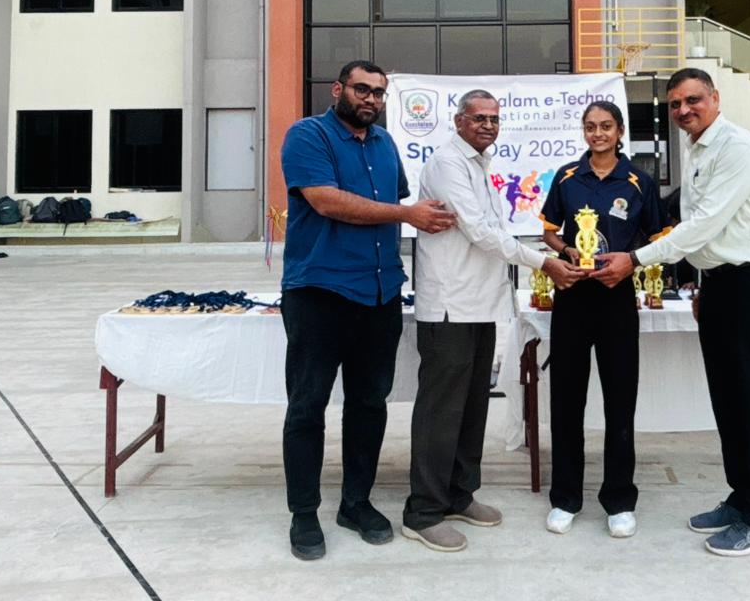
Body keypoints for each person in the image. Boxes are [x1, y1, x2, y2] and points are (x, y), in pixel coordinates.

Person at [595, 67, 750, 557]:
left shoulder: (737, 148)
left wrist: (635, 258)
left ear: (715, 98)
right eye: (676, 104)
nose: (684, 110)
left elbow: (703, 225)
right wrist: (702, 282)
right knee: (728, 400)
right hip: (720, 285)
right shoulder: (697, 147)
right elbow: (702, 231)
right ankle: (742, 498)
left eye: (693, 100)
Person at [279, 60, 457, 561]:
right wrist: (407, 215)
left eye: (379, 92)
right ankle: (304, 513)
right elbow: (328, 202)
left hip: (379, 295)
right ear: (338, 90)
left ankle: (355, 503)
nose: (371, 99)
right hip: (319, 294)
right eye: (362, 89)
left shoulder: (384, 143)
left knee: (368, 405)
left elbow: (394, 203)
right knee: (307, 406)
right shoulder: (308, 136)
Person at [403, 90, 584, 552]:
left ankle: (459, 495)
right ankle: (423, 512)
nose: (488, 125)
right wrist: (543, 263)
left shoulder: (479, 166)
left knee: (471, 406)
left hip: (481, 304)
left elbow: (493, 232)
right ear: (459, 121)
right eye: (479, 118)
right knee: (441, 411)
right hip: (449, 305)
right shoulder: (447, 163)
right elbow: (481, 232)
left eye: (494, 119)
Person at [538, 101, 668, 539]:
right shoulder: (567, 177)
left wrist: (630, 261)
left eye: (606, 126)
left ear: (620, 131)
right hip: (572, 296)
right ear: (584, 131)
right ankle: (565, 498)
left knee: (620, 399)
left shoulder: (638, 181)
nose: (598, 134)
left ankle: (619, 500)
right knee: (566, 400)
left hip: (616, 298)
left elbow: (659, 236)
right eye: (591, 127)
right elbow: (549, 229)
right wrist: (565, 251)